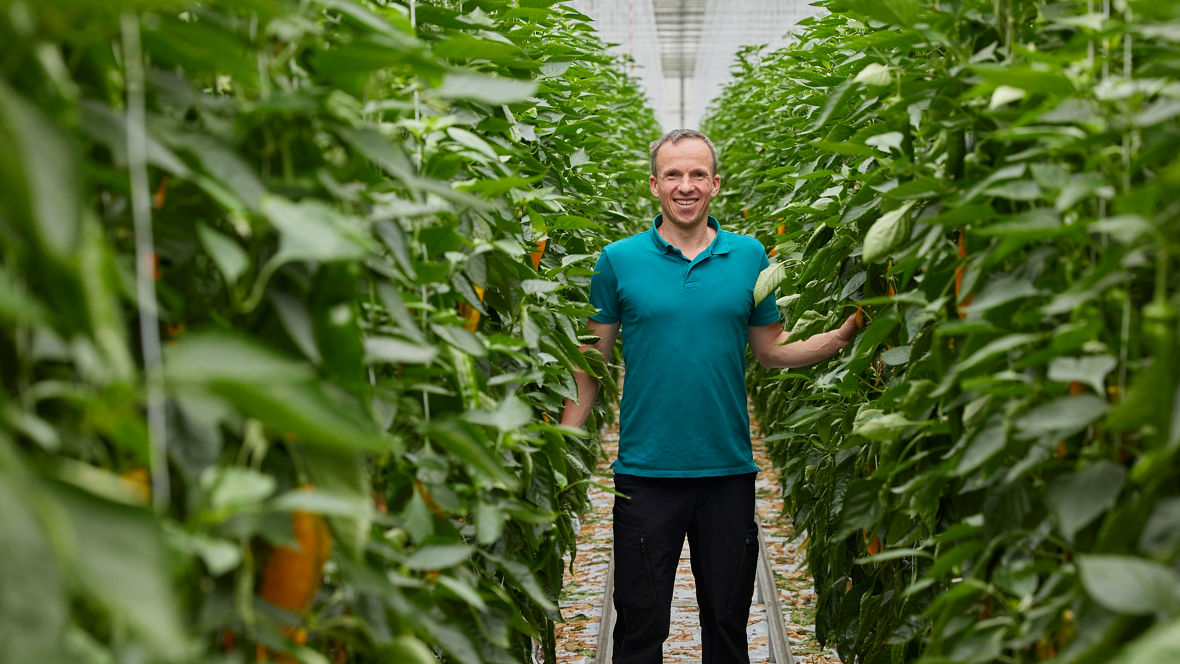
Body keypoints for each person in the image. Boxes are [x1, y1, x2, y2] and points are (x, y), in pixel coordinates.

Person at [560, 128, 859, 664]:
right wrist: (562, 440)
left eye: (698, 174)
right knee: (638, 628)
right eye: (673, 174)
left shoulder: (749, 256)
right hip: (646, 475)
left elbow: (772, 349)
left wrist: (839, 339)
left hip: (727, 472)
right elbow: (592, 362)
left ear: (715, 184)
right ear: (654, 185)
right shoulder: (618, 260)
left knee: (727, 626)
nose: (686, 185)